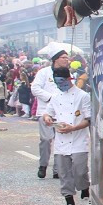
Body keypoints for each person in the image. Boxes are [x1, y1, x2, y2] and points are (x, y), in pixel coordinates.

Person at [41, 67, 92, 205]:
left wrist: (74, 127)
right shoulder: (55, 97)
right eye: (57, 83)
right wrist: (48, 118)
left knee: (80, 171)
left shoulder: (83, 96)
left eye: (62, 82)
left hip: (78, 140)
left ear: (69, 79)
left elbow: (88, 119)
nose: (59, 85)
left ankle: (85, 197)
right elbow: (47, 112)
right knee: (64, 174)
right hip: (61, 142)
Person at [32, 51, 71, 179]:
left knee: (61, 141)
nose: (66, 60)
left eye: (67, 58)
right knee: (46, 139)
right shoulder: (43, 72)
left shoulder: (67, 73)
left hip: (62, 112)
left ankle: (57, 169)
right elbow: (35, 88)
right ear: (56, 59)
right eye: (64, 58)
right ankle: (43, 165)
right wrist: (51, 98)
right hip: (45, 111)